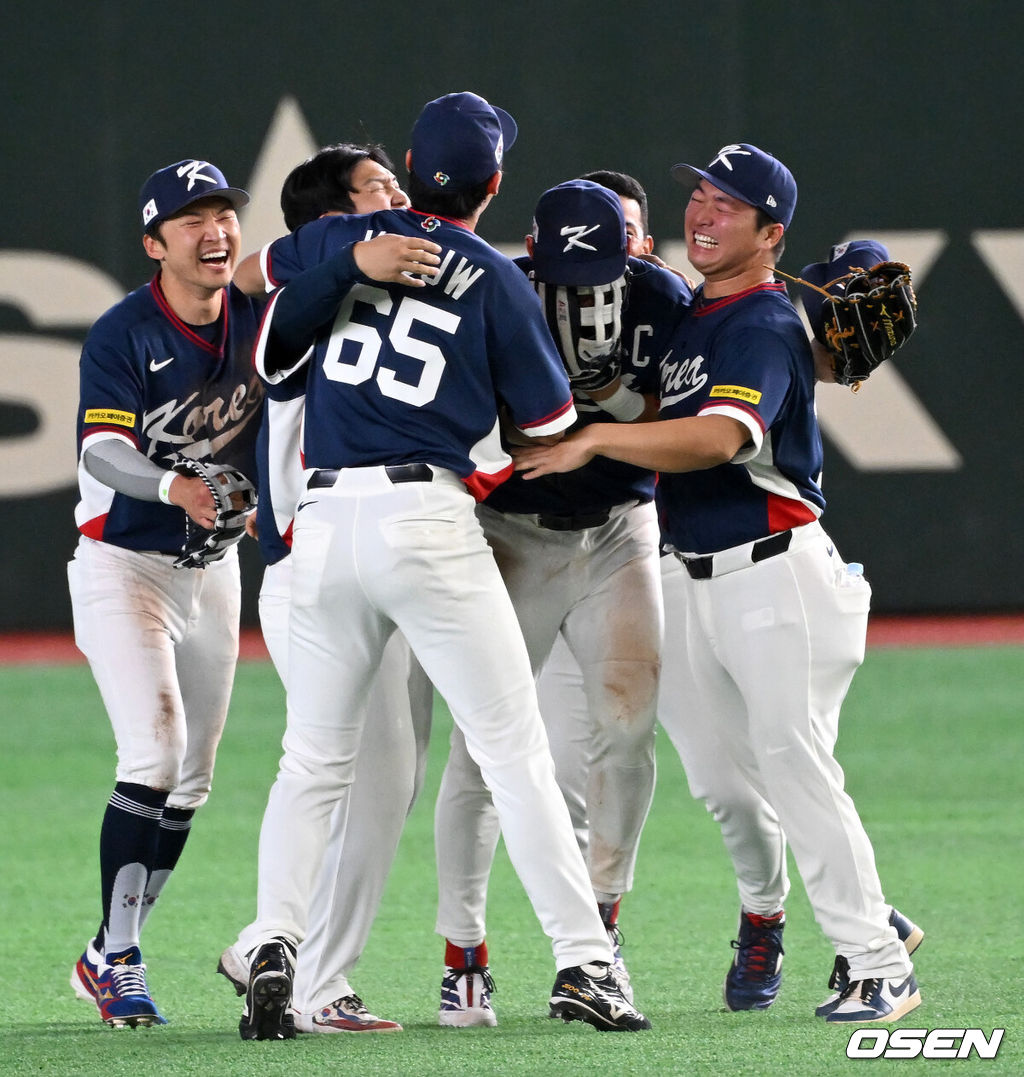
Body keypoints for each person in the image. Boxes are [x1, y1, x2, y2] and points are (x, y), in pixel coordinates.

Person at [234, 91, 651, 1040]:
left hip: (327, 524)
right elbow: (546, 426)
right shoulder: (499, 280)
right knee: (515, 754)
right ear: (494, 184)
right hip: (427, 517)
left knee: (310, 763)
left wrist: (345, 258)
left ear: (412, 169)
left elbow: (265, 322)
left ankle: (275, 945)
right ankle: (586, 964)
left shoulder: (338, 240)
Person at [515, 143, 922, 1024]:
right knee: (731, 782)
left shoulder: (759, 324)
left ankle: (878, 960)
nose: (703, 212)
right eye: (698, 195)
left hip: (776, 574)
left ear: (770, 233)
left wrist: (591, 441)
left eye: (727, 205)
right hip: (698, 581)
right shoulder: (703, 312)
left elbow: (719, 438)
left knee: (796, 769)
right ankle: (867, 910)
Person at [432, 178, 692, 1026]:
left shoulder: (660, 293)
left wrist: (606, 402)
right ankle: (462, 950)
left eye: (609, 265)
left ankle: (600, 928)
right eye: (571, 274)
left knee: (627, 723)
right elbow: (466, 422)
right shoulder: (496, 291)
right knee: (483, 745)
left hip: (620, 526)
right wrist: (544, 419)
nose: (594, 289)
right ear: (534, 256)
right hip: (514, 535)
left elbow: (686, 413)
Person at [215, 143, 433, 1033]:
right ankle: (313, 977)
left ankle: (266, 943)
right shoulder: (313, 303)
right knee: (359, 780)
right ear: (331, 223)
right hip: (324, 564)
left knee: (361, 778)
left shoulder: (351, 291)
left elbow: (260, 267)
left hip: (344, 564)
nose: (396, 201)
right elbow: (262, 268)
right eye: (375, 190)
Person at [67, 159, 265, 1028]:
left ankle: (108, 946)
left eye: (223, 213)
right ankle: (118, 956)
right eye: (191, 220)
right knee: (151, 754)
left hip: (213, 568)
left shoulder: (259, 321)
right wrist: (173, 485)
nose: (214, 230)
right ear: (155, 244)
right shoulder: (123, 332)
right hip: (125, 565)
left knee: (190, 780)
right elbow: (99, 454)